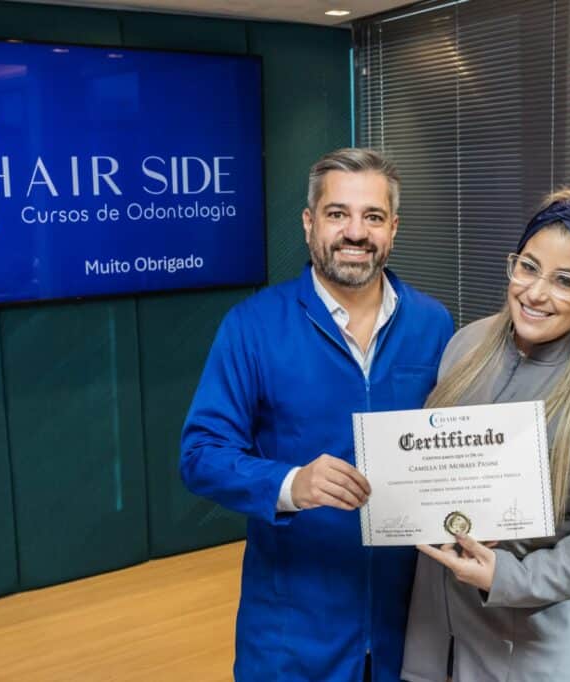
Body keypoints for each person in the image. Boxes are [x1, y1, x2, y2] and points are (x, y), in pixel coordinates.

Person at [180, 148, 454, 681]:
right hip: (293, 634)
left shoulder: (433, 325)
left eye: (372, 217)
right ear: (309, 224)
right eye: (337, 214)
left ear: (393, 229)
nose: (356, 232)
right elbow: (200, 455)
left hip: (408, 628)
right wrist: (291, 483)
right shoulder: (252, 327)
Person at [400, 174, 570, 681]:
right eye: (529, 268)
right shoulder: (465, 347)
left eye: (564, 280)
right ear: (512, 266)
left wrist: (508, 575)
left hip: (538, 642)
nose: (536, 293)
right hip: (442, 623)